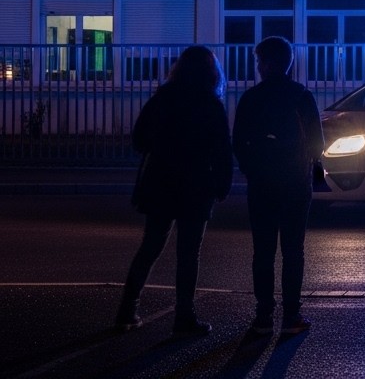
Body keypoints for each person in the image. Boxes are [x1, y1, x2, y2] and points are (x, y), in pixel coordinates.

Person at [116, 45, 233, 337]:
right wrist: (222, 184)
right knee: (188, 253)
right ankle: (184, 317)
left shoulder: (163, 98)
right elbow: (221, 149)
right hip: (197, 185)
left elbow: (140, 139)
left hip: (162, 182)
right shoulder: (210, 103)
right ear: (211, 72)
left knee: (151, 245)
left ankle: (127, 309)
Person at [233, 36, 324, 336]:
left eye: (259, 61)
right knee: (293, 250)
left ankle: (263, 316)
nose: (258, 67)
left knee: (263, 250)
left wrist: (252, 169)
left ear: (269, 63)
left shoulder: (251, 98)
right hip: (295, 184)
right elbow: (317, 143)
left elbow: (239, 142)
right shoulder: (301, 96)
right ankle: (291, 315)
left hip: (262, 184)